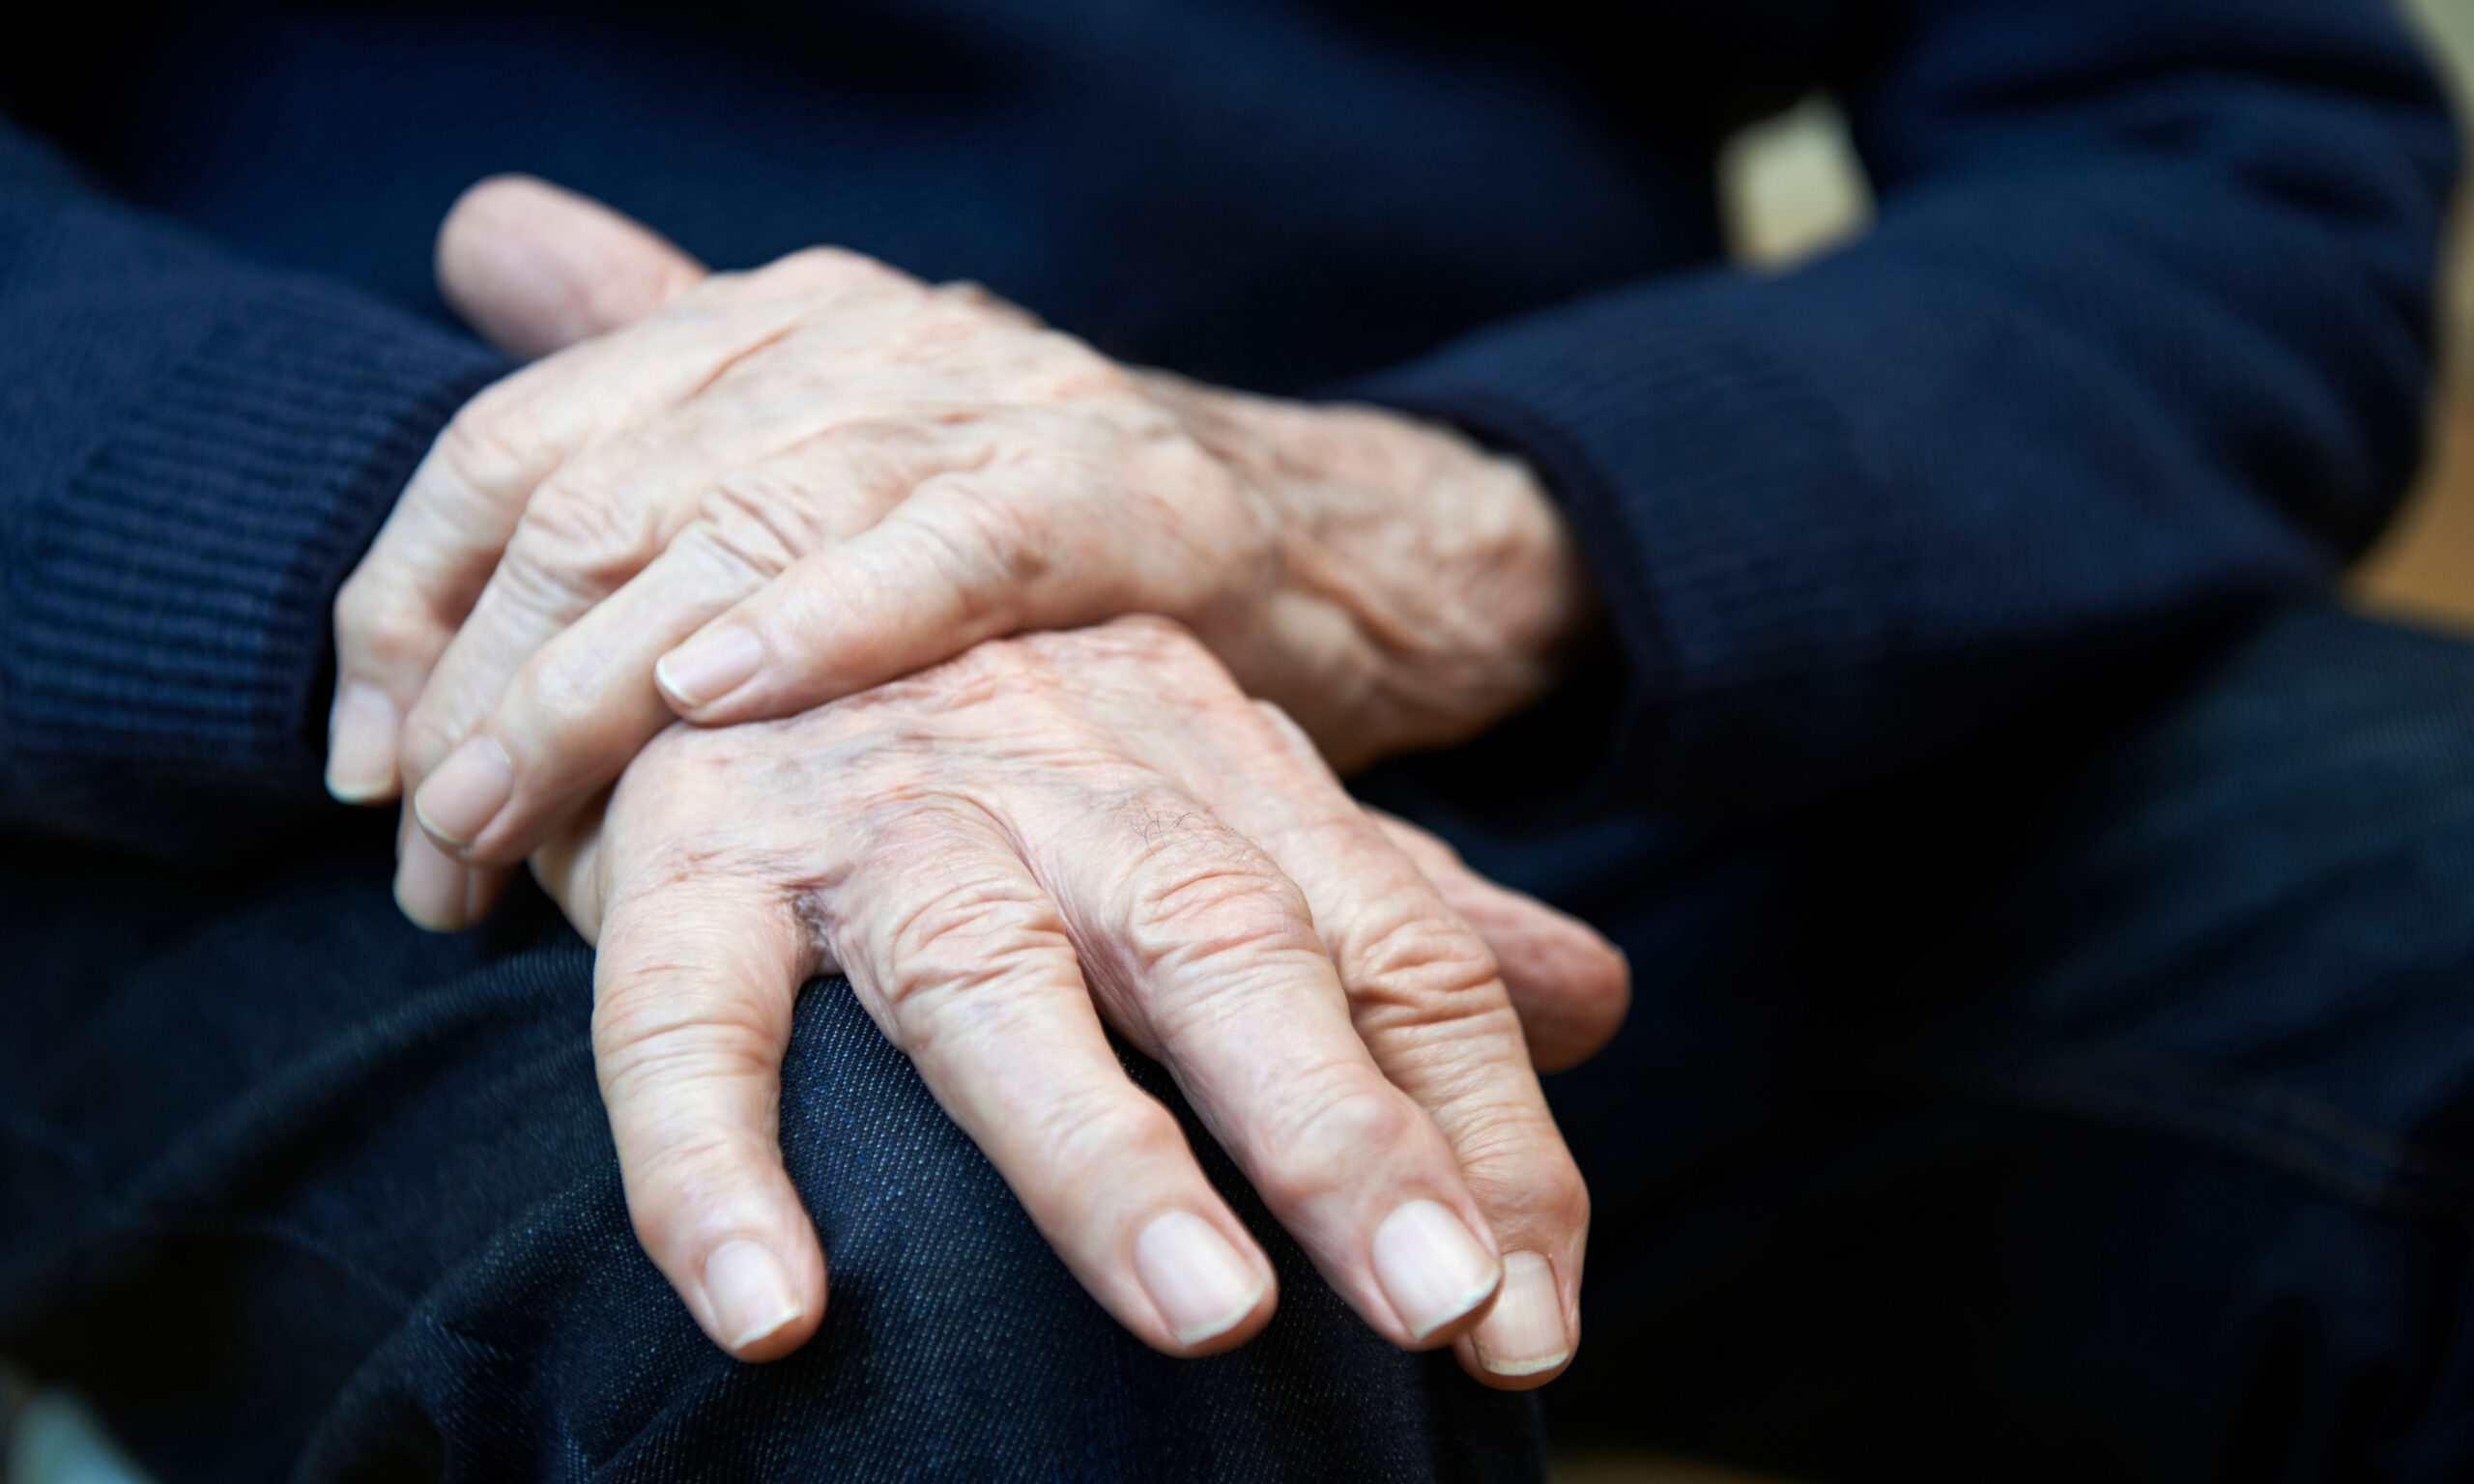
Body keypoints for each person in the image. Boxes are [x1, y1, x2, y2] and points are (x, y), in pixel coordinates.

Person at [0, 0, 2465, 1479]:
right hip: (302, 745)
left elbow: (2214, 138)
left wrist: (1390, 536)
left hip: (1553, 659)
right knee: (967, 1256)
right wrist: (556, 558)